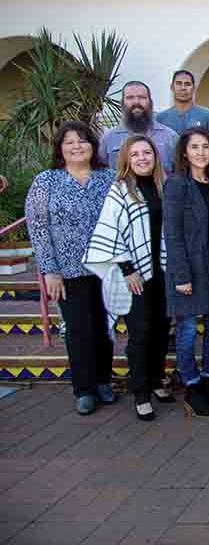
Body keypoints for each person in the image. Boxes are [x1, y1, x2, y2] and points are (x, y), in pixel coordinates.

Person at [25, 122, 116, 415]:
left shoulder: (109, 178)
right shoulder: (46, 181)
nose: (77, 146)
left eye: (83, 140)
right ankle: (84, 389)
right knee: (78, 329)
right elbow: (38, 229)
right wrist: (49, 270)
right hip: (68, 271)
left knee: (104, 328)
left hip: (106, 269)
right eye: (69, 142)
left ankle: (103, 380)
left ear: (93, 145)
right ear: (60, 149)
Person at [84, 135, 171, 421]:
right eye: (136, 154)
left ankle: (157, 381)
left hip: (163, 272)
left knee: (160, 330)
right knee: (141, 333)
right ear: (127, 159)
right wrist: (127, 269)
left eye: (147, 152)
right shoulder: (120, 189)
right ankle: (141, 393)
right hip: (135, 274)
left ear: (155, 156)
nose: (143, 158)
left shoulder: (164, 185)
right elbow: (110, 231)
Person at [163, 128, 209, 418]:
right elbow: (172, 233)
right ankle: (192, 385)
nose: (201, 152)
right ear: (185, 152)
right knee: (188, 330)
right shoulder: (177, 184)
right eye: (195, 147)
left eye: (206, 147)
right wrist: (181, 276)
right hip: (189, 269)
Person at [99, 81, 179, 174]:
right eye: (130, 98)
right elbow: (101, 172)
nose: (136, 102)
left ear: (150, 102)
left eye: (142, 97)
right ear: (122, 103)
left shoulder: (170, 137)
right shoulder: (108, 138)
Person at [156, 69, 209, 136]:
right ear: (172, 87)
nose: (183, 88)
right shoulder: (160, 118)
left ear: (194, 88)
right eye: (179, 83)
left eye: (187, 84)